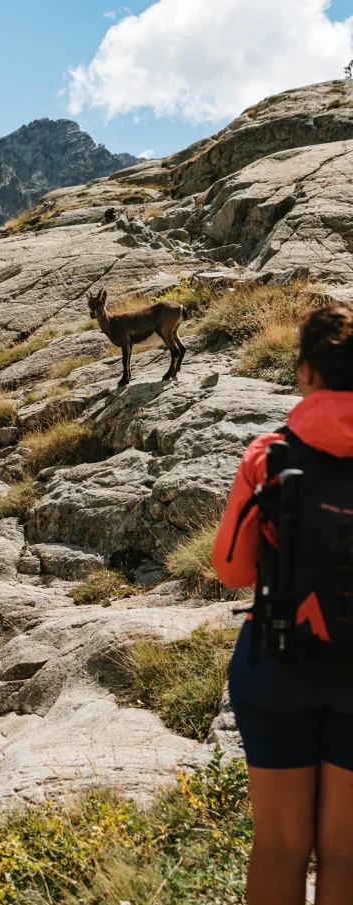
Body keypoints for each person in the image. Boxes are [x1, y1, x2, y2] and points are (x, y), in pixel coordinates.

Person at [212, 303, 353, 905]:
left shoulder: (268, 456)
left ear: (305, 372)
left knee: (277, 846)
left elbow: (231, 570)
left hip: (277, 660)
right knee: (346, 851)